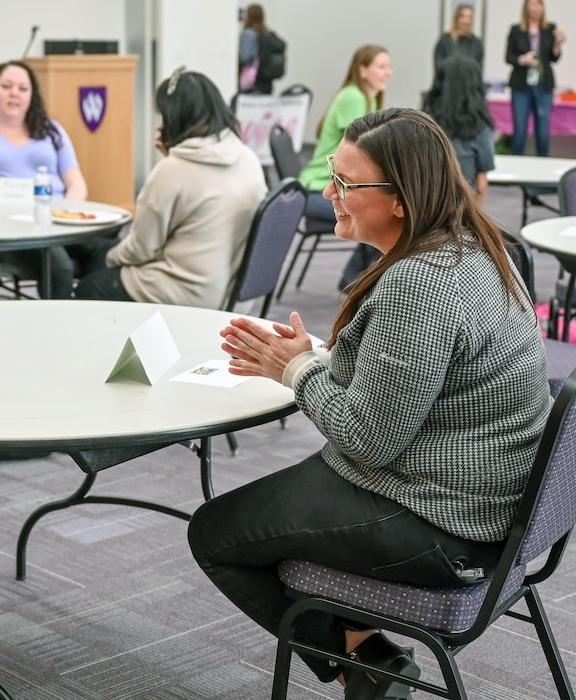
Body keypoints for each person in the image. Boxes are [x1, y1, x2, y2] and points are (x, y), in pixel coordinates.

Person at [189, 108, 550, 699]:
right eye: (334, 173)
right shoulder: (477, 247)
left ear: (402, 200)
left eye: (347, 184)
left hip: (443, 518)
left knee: (217, 535)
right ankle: (364, 648)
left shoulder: (421, 283)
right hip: (483, 494)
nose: (329, 192)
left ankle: (366, 663)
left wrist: (298, 369)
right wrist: (323, 359)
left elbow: (367, 436)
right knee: (265, 522)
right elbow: (421, 378)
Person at [75, 69, 266, 309]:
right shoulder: (247, 158)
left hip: (186, 294)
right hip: (233, 294)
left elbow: (141, 249)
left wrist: (108, 258)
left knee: (89, 284)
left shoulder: (173, 171)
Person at [0, 59, 88, 299]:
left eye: (23, 88)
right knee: (59, 265)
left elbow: (76, 183)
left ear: (32, 96)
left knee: (107, 251)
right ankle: (61, 329)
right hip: (12, 229)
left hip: (58, 220)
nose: (14, 94)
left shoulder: (51, 129)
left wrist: (67, 214)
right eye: (6, 86)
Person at [299, 44, 391, 291]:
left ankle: (357, 281)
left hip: (326, 185)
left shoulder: (363, 97)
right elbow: (362, 155)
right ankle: (358, 283)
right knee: (378, 212)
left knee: (377, 207)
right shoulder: (354, 97)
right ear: (362, 71)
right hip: (317, 188)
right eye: (381, 66)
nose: (388, 72)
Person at [425, 55, 495, 200]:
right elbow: (481, 184)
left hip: (424, 204)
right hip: (461, 206)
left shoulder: (424, 122)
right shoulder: (480, 126)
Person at [506, 0, 567, 157]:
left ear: (543, 7)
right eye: (532, 4)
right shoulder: (516, 30)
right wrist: (523, 59)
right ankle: (516, 169)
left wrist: (558, 44)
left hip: (543, 86)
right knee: (519, 131)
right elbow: (508, 57)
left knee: (543, 132)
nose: (535, 8)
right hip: (521, 87)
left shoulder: (550, 29)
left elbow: (554, 58)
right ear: (526, 7)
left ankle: (543, 172)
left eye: (538, 4)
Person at [238, 3, 287, 95]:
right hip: (267, 82)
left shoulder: (248, 34)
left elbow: (246, 58)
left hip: (252, 81)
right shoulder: (267, 33)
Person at [433, 3, 484, 70]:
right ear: (457, 19)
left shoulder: (476, 43)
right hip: (448, 80)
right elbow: (439, 66)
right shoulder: (444, 41)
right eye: (463, 17)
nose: (466, 21)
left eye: (469, 17)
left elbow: (477, 69)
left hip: (469, 80)